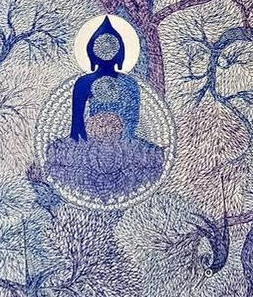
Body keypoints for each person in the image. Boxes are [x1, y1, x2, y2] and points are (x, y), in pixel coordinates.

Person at [43, 18, 164, 204]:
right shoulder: (84, 83)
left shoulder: (130, 84)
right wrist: (90, 138)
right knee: (56, 151)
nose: (106, 54)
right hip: (91, 141)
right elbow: (77, 126)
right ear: (92, 53)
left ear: (120, 54)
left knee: (153, 156)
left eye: (111, 49)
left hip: (123, 144)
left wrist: (119, 136)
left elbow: (132, 122)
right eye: (101, 49)